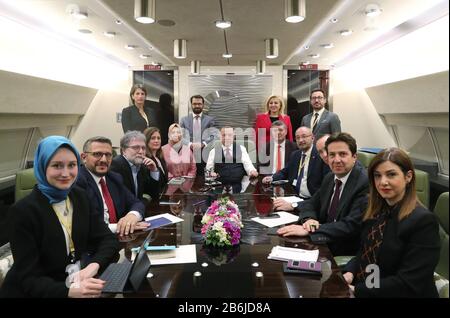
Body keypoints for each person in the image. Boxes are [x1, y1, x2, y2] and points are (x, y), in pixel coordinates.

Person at [0, 136, 119, 298]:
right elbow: (28, 279)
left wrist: (93, 266)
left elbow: (108, 239)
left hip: (73, 282)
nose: (66, 173)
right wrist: (69, 292)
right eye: (56, 165)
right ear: (42, 167)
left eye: (72, 165)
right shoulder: (22, 211)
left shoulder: (79, 197)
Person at [342, 148, 440, 297]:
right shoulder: (375, 211)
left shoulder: (423, 221)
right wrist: (350, 271)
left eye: (391, 174)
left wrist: (358, 290)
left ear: (408, 177)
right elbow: (365, 252)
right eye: (377, 176)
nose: (383, 182)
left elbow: (408, 283)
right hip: (372, 287)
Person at [275, 132, 369, 256]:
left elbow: (350, 226)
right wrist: (310, 220)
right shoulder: (330, 177)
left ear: (354, 156)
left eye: (342, 154)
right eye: (332, 155)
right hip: (322, 242)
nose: (336, 160)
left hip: (343, 249)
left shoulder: (364, 182)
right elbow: (311, 203)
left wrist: (311, 230)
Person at [77, 136, 148, 236]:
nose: (104, 160)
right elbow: (87, 225)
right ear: (84, 157)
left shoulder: (114, 178)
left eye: (108, 155)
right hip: (94, 244)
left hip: (120, 239)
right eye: (97, 154)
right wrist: (120, 226)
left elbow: (136, 203)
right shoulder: (78, 182)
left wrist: (132, 216)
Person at [263, 126, 329, 199]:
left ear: (312, 138)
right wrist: (272, 178)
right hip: (293, 196)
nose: (300, 140)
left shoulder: (321, 156)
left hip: (312, 200)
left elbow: (325, 186)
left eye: (304, 136)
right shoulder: (295, 155)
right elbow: (285, 172)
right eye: (297, 138)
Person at [110, 131, 161, 201]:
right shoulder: (115, 166)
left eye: (143, 148)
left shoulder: (142, 166)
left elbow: (153, 194)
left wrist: (154, 171)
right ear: (124, 150)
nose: (141, 151)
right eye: (136, 147)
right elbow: (121, 199)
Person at [179, 95, 216, 176]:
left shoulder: (210, 120)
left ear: (203, 105)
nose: (197, 106)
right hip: (188, 154)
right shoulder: (184, 120)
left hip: (204, 155)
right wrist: (190, 144)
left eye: (199, 104)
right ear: (191, 105)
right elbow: (180, 136)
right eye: (194, 104)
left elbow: (213, 135)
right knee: (188, 178)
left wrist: (203, 144)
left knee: (202, 179)